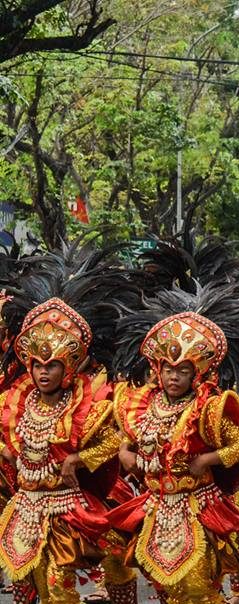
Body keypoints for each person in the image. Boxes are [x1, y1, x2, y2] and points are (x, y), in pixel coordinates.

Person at [107, 283, 239, 604]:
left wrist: (208, 461)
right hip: (156, 508)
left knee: (199, 590)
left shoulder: (207, 408)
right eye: (169, 370)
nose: (174, 378)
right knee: (167, 591)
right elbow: (127, 438)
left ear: (196, 373)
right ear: (158, 369)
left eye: (182, 371)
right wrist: (125, 452)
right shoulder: (143, 404)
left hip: (197, 508)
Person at [0, 245, 140, 604]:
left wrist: (77, 460)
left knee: (66, 586)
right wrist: (9, 454)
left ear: (69, 366)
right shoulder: (14, 401)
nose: (43, 372)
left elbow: (113, 440)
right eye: (37, 365)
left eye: (52, 366)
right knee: (25, 589)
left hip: (70, 505)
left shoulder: (87, 402)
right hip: (25, 508)